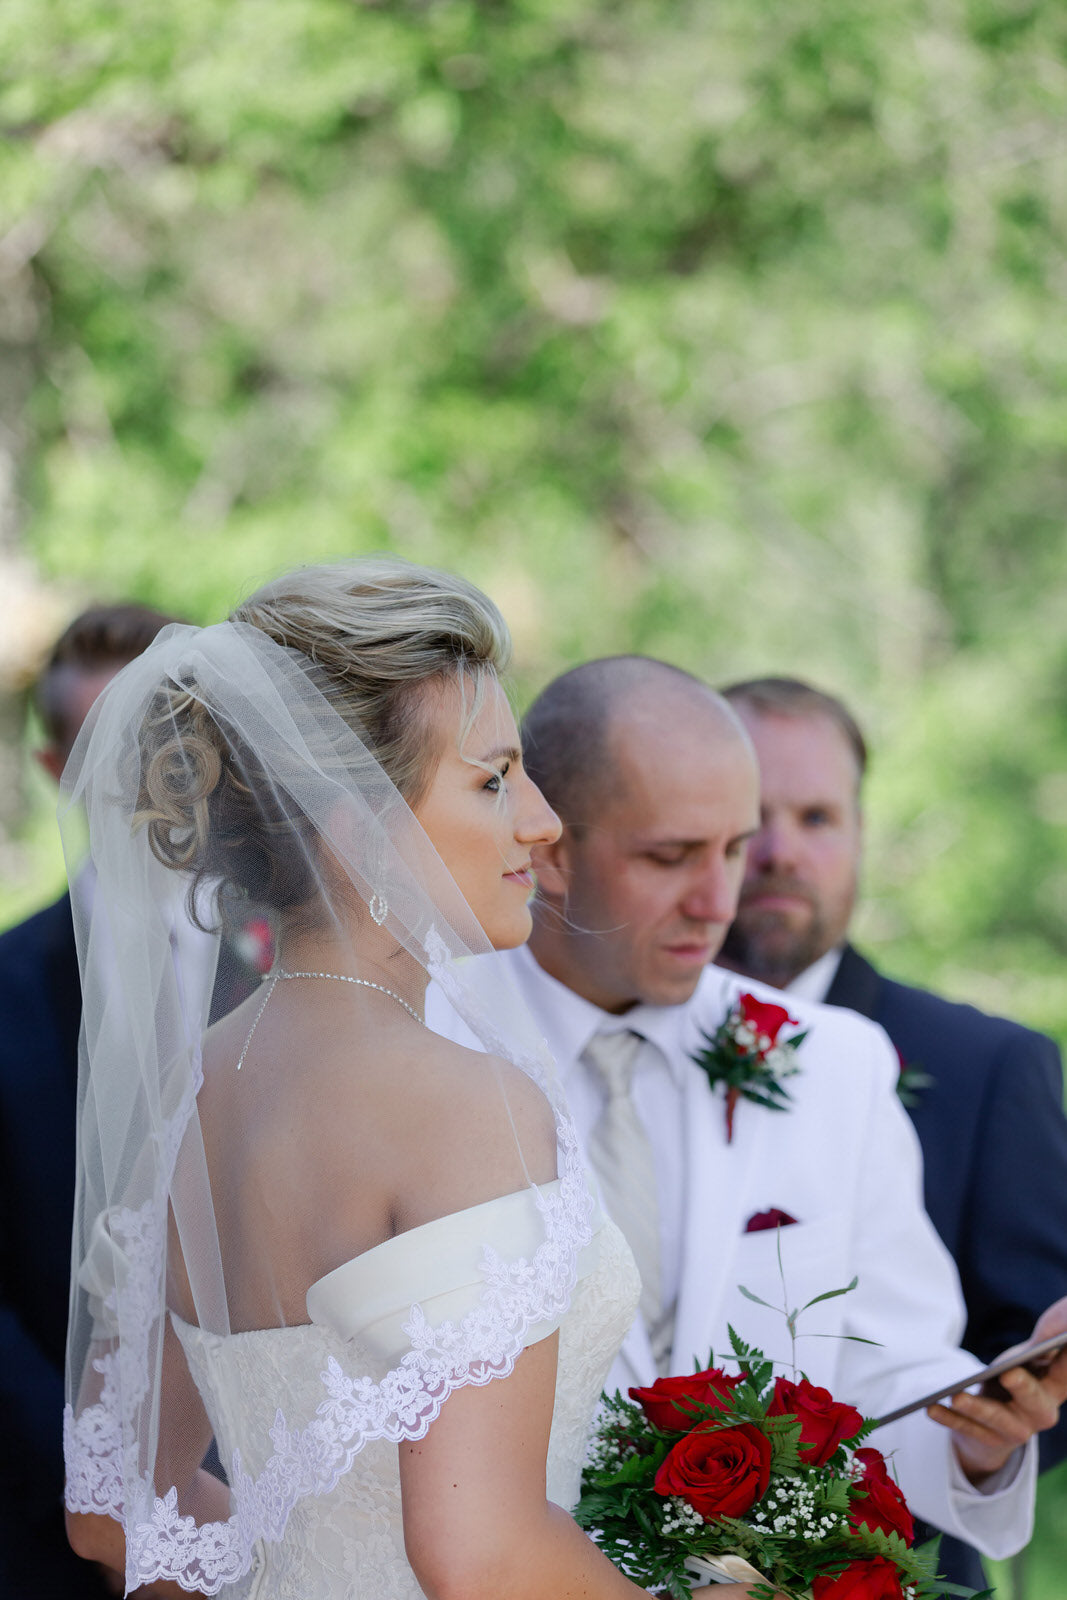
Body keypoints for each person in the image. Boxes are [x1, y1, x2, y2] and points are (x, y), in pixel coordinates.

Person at [62, 563, 758, 1600]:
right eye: (492, 779)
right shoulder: (462, 1106)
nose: (541, 820)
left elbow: (113, 1513)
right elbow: (478, 1555)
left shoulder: (194, 1090)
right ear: (354, 828)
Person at [428, 654, 1067, 1577]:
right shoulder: (424, 1043)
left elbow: (886, 1373)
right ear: (551, 849)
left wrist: (975, 1436)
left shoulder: (832, 1063)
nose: (716, 899)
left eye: (731, 848)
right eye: (668, 856)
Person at [717, 673, 1067, 1589]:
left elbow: (1028, 1352)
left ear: (861, 835)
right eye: (753, 816)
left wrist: (986, 1440)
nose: (780, 851)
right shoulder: (605, 1042)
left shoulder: (989, 1064)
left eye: (818, 817)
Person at [0, 602, 181, 1600]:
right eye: (114, 747)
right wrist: (106, 1500)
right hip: (51, 1541)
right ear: (52, 770)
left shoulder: (310, 967)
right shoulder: (7, 992)